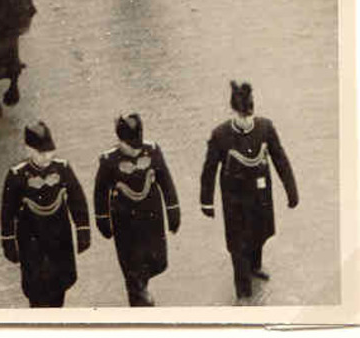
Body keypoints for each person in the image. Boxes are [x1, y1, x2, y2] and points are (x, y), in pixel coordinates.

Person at [200, 81, 299, 301]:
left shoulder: (265, 128)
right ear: (232, 111)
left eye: (248, 115)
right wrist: (206, 202)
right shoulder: (220, 135)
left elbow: (280, 159)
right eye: (241, 115)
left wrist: (291, 190)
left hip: (260, 196)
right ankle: (243, 292)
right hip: (234, 199)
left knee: (259, 234)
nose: (245, 121)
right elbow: (209, 170)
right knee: (238, 245)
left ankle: (255, 266)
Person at [0, 121, 90, 308]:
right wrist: (8, 242)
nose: (47, 156)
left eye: (49, 151)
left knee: (60, 284)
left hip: (60, 237)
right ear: (29, 150)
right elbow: (7, 212)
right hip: (32, 239)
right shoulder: (17, 175)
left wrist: (82, 230)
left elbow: (77, 200)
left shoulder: (62, 168)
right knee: (36, 289)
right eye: (41, 153)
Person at [94, 113, 180, 306]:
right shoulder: (109, 160)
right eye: (130, 145)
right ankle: (139, 295)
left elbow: (165, 181)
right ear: (120, 141)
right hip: (125, 221)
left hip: (152, 216)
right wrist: (102, 219)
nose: (135, 149)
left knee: (157, 260)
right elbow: (100, 193)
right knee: (131, 265)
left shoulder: (152, 150)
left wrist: (173, 210)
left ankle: (141, 288)